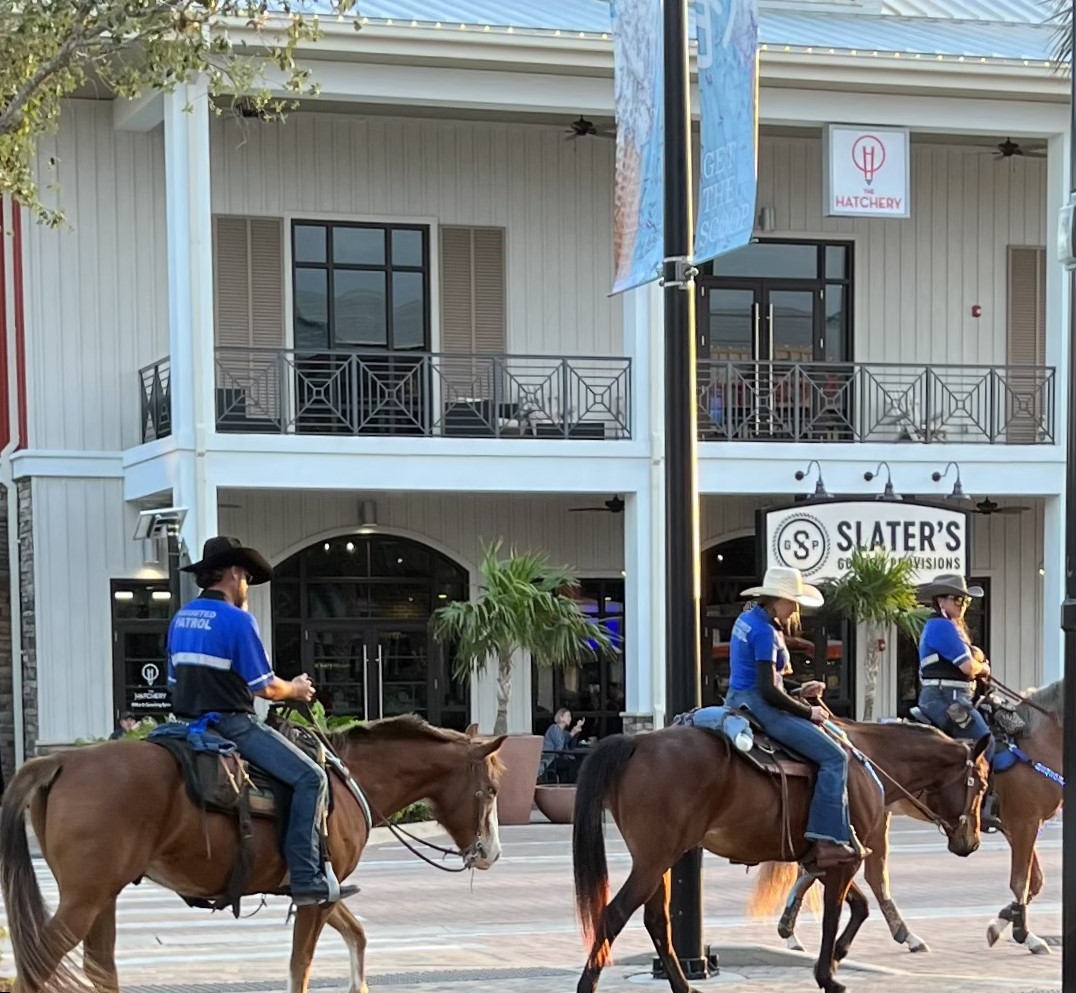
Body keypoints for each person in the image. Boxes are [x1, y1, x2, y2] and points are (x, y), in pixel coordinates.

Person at [166, 535, 358, 907]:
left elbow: (173, 681)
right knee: (311, 777)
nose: (247, 586)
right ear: (233, 573)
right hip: (230, 724)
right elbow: (266, 687)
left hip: (185, 726)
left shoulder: (181, 618)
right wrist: (297, 689)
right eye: (247, 578)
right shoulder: (238, 621)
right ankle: (306, 876)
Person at [725, 566, 867, 869]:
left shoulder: (747, 619)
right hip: (762, 707)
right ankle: (827, 840)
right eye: (792, 603)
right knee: (835, 757)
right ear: (777, 599)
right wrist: (808, 711)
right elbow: (767, 690)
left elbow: (761, 678)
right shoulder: (765, 632)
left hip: (738, 700)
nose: (795, 610)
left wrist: (798, 689)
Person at [915, 573, 1000, 830]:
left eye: (966, 600)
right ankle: (979, 807)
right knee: (985, 742)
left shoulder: (948, 627)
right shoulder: (942, 627)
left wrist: (977, 662)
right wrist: (983, 668)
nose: (962, 604)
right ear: (941, 600)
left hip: (954, 696)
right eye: (957, 599)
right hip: (945, 699)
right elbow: (967, 666)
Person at [538, 707, 585, 782]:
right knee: (572, 765)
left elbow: (571, 746)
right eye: (568, 716)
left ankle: (568, 783)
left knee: (576, 762)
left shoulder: (564, 732)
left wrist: (576, 733)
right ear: (561, 717)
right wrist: (572, 733)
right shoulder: (554, 728)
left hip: (558, 758)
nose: (570, 719)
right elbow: (559, 748)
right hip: (550, 759)